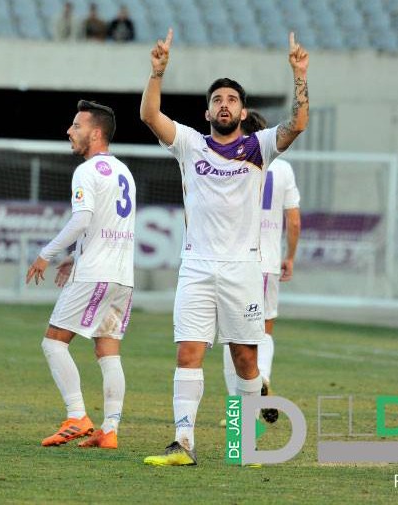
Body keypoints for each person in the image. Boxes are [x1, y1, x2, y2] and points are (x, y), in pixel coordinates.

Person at [140, 29, 308, 466]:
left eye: (232, 99)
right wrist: (157, 73)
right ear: (208, 110)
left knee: (244, 357)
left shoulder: (258, 147)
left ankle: (243, 441)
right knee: (188, 352)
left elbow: (298, 124)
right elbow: (149, 115)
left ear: (243, 110)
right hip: (196, 266)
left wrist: (299, 76)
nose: (225, 104)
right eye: (217, 99)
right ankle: (183, 442)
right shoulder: (190, 144)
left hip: (243, 269)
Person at [26, 100, 134, 449]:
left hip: (96, 275)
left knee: (53, 341)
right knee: (108, 350)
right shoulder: (123, 171)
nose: (69, 131)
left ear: (96, 133)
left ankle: (77, 417)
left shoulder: (86, 171)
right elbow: (105, 225)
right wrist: (76, 254)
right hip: (121, 276)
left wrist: (47, 254)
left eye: (76, 125)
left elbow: (83, 219)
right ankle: (110, 430)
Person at [221, 110, 301, 424]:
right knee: (263, 329)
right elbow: (293, 220)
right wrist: (290, 256)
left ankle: (235, 411)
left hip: (234, 261)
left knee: (231, 337)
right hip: (267, 262)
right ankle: (262, 377)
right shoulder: (282, 169)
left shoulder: (229, 163)